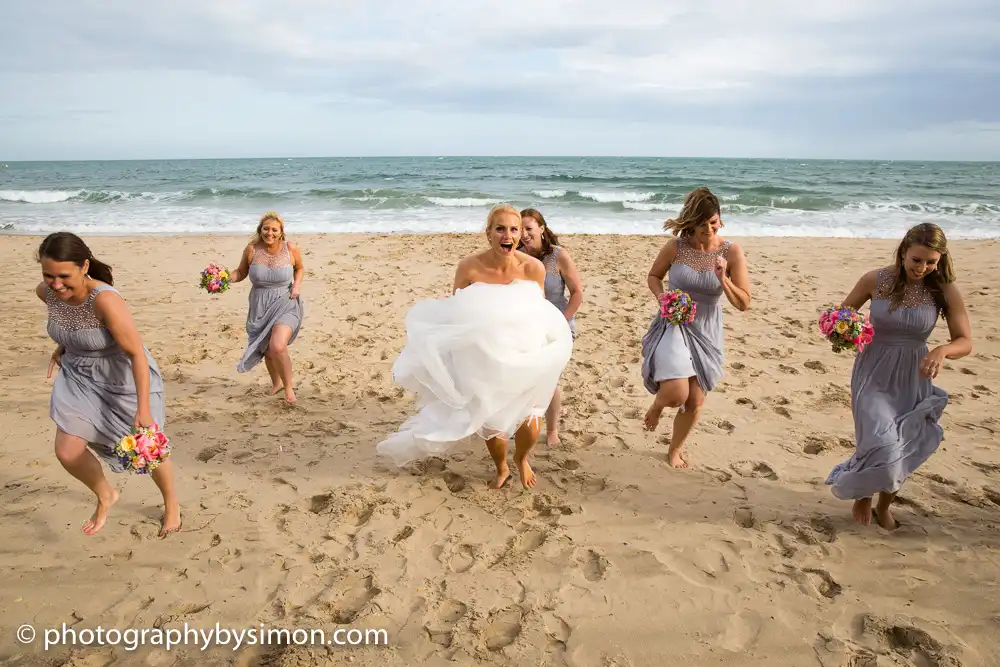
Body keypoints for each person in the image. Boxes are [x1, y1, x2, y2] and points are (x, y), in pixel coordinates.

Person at [376, 204, 574, 489]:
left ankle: (521, 459)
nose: (508, 234)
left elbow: (539, 309)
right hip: (485, 353)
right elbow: (458, 308)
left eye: (514, 229)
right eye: (500, 228)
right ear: (489, 234)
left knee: (530, 422)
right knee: (492, 417)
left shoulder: (533, 267)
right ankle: (502, 466)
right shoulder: (469, 266)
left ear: (520, 235)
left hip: (525, 351)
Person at [825, 223, 972, 531]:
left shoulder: (942, 289)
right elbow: (841, 315)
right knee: (879, 436)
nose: (923, 267)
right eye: (917, 259)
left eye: (932, 261)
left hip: (914, 373)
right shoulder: (874, 280)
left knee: (904, 443)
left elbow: (965, 340)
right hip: (873, 368)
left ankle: (883, 504)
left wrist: (943, 350)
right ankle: (863, 492)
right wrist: (845, 330)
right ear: (904, 251)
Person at [35, 232, 181, 537]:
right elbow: (69, 326)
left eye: (64, 276)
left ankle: (172, 504)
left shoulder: (105, 300)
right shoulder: (46, 292)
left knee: (147, 449)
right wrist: (63, 345)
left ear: (84, 266)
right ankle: (105, 494)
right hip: (79, 379)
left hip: (122, 378)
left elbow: (136, 353)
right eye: (49, 275)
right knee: (67, 450)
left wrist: (143, 409)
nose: (56, 284)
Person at [640, 187, 751, 468]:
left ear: (720, 220)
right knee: (677, 393)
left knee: (696, 402)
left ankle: (675, 448)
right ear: (691, 223)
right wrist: (663, 298)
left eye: (713, 223)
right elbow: (654, 276)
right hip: (675, 323)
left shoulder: (731, 251)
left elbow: (744, 303)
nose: (708, 230)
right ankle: (656, 407)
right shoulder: (676, 246)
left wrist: (723, 279)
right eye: (702, 225)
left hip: (707, 328)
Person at [518, 208, 583, 445]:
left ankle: (552, 430)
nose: (524, 234)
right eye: (520, 229)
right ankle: (528, 419)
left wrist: (562, 321)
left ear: (542, 229)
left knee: (548, 379)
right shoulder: (516, 256)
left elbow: (577, 293)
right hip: (527, 325)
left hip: (559, 323)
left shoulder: (558, 256)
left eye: (529, 228)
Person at [228, 211, 305, 404]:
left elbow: (300, 268)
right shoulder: (252, 250)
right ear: (260, 230)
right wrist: (222, 278)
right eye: (266, 229)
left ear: (281, 232)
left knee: (278, 346)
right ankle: (276, 383)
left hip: (286, 302)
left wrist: (296, 285)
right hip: (260, 305)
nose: (269, 233)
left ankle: (289, 390)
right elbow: (240, 273)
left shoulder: (290, 248)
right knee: (268, 350)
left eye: (274, 230)